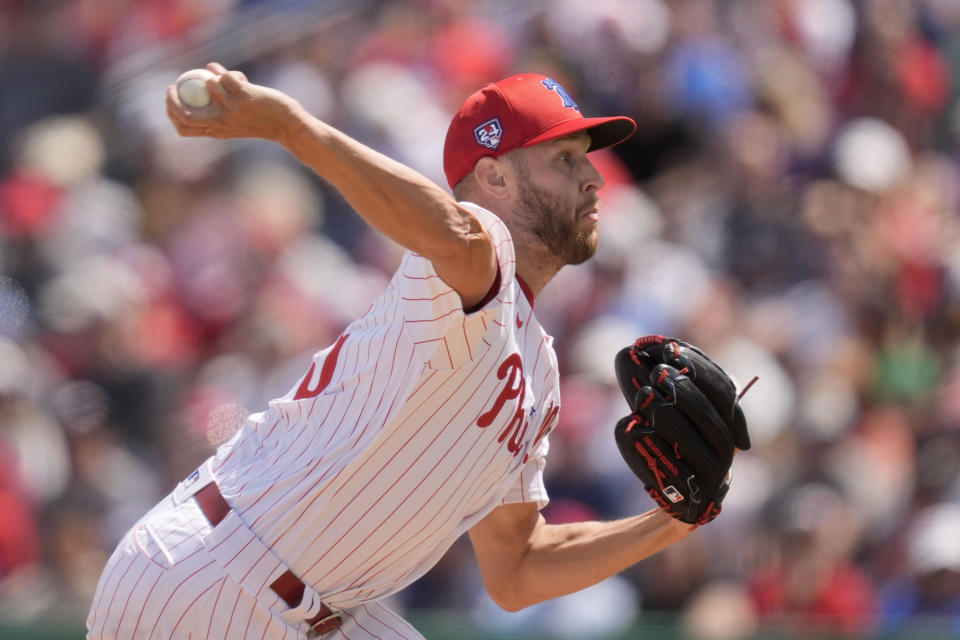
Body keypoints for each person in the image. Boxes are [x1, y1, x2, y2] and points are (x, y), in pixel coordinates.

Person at [86, 63, 696, 640]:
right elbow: (456, 233)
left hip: (319, 609)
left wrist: (671, 521)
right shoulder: (476, 251)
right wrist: (291, 128)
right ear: (495, 178)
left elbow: (518, 570)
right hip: (214, 576)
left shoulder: (539, 371)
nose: (593, 178)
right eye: (564, 159)